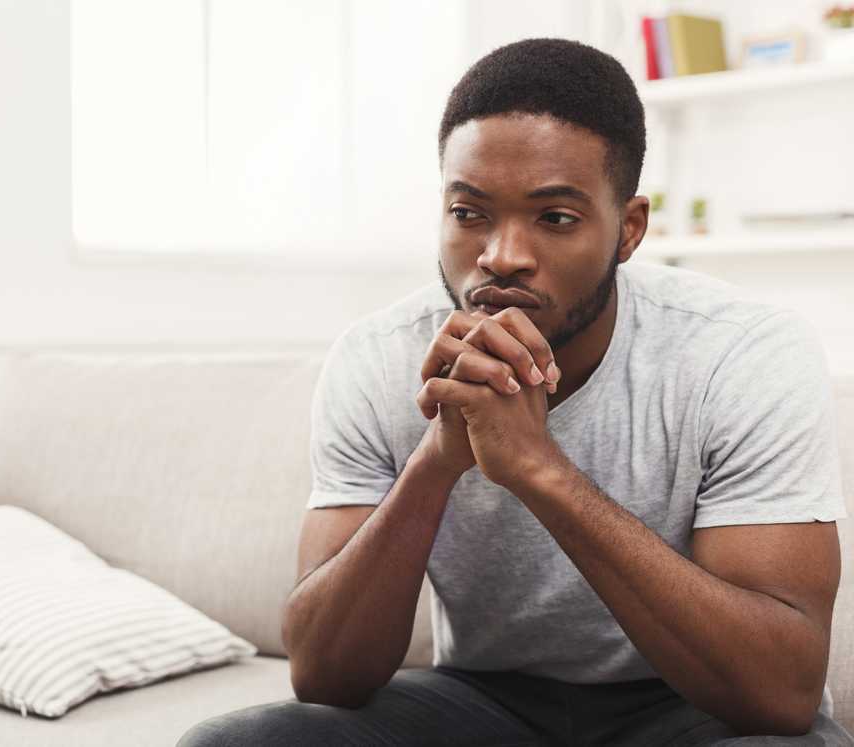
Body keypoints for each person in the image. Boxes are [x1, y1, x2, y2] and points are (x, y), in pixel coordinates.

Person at [178, 37, 853, 746]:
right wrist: (436, 460)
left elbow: (780, 693)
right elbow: (324, 675)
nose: (501, 256)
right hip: (481, 702)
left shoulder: (742, 353)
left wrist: (539, 470)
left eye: (554, 218)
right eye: (469, 214)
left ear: (627, 230)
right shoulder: (376, 359)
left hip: (688, 708)